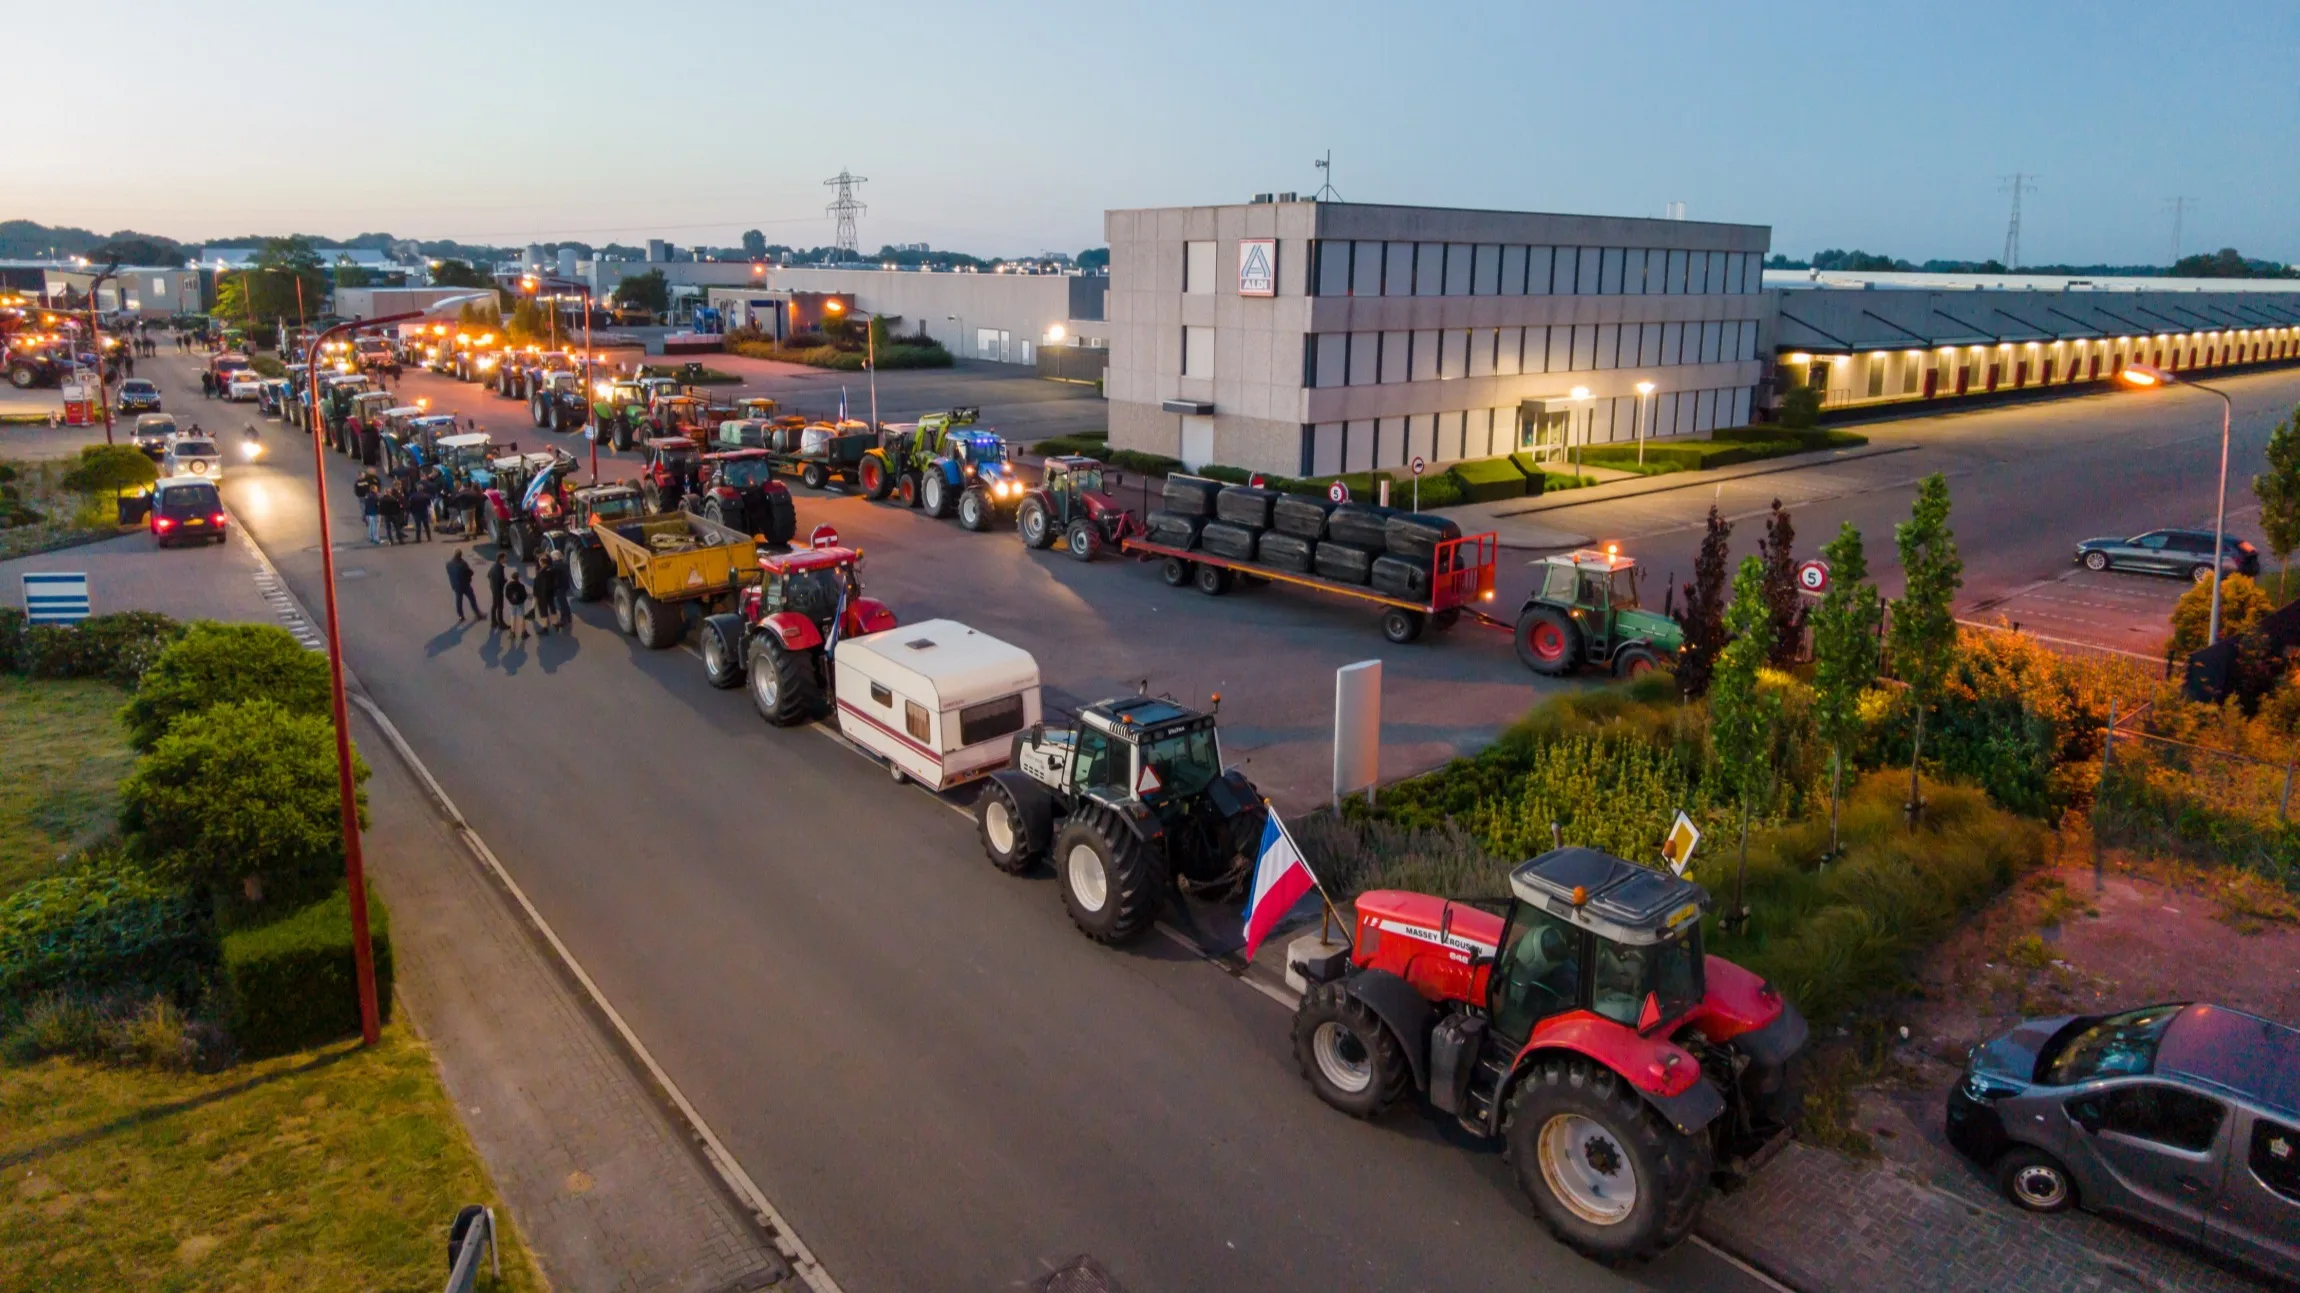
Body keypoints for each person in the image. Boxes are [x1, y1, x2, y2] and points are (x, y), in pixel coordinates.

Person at [446, 548, 479, 621]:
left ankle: (461, 616)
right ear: (460, 556)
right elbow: (470, 572)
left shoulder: (448, 564)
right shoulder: (463, 564)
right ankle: (477, 614)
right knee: (472, 599)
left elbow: (450, 574)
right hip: (465, 585)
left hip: (456, 586)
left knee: (459, 601)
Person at [530, 554, 558, 636]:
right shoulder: (552, 570)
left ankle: (545, 628)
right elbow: (555, 582)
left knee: (543, 611)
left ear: (541, 562)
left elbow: (537, 586)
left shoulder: (540, 573)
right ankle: (555, 623)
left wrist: (536, 595)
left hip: (542, 595)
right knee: (552, 608)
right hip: (551, 593)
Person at [503, 567, 531, 641]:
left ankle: (512, 632)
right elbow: (525, 595)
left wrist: (511, 601)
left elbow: (506, 595)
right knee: (521, 617)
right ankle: (523, 632)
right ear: (518, 578)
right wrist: (522, 601)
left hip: (512, 604)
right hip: (520, 604)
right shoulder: (521, 586)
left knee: (513, 617)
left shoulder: (508, 585)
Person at [355, 470, 381, 543]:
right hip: (374, 512)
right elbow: (377, 504)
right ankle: (375, 539)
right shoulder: (374, 496)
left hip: (369, 510)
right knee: (375, 526)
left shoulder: (368, 495)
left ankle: (370, 537)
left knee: (371, 525)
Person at [409, 474, 435, 542]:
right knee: (426, 526)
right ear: (422, 489)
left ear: (417, 489)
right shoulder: (426, 496)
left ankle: (418, 539)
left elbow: (410, 505)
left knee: (418, 526)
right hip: (424, 512)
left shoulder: (413, 496)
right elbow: (429, 504)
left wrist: (412, 511)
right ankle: (429, 538)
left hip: (416, 513)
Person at [487, 552, 509, 628]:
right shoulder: (500, 568)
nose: (506, 559)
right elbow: (501, 580)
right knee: (500, 606)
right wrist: (505, 580)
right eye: (505, 558)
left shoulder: (493, 566)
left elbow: (488, 575)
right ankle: (501, 623)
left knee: (494, 605)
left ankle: (493, 621)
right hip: (498, 590)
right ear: (501, 559)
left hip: (493, 588)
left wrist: (493, 582)